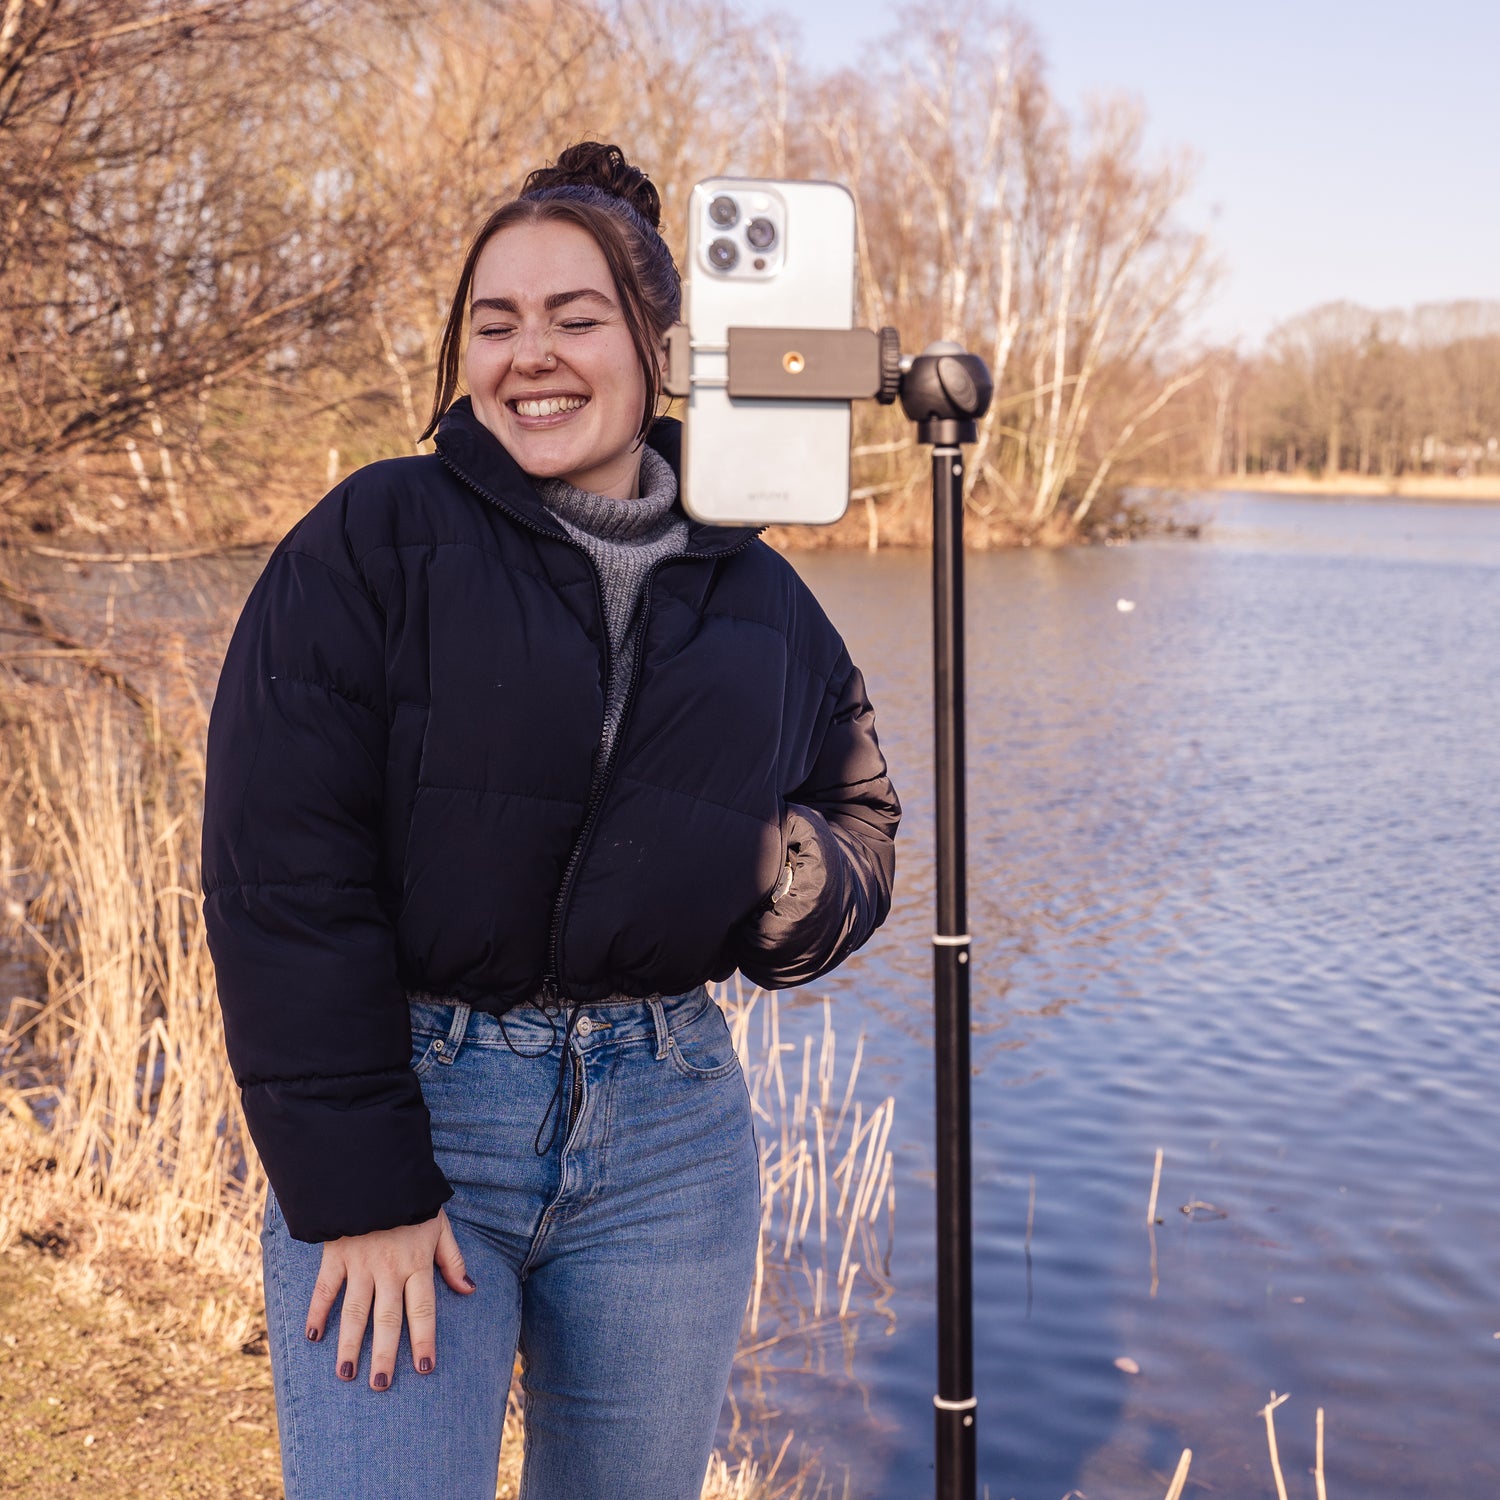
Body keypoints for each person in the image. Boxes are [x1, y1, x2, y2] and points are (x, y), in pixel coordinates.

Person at [202, 141, 900, 1500]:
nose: (531, 355)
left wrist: (775, 874)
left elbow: (859, 808)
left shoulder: (754, 584)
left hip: (670, 1136)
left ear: (659, 352)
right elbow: (281, 875)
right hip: (423, 1113)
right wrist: (360, 1188)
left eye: (576, 320)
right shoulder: (375, 536)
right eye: (496, 321)